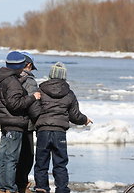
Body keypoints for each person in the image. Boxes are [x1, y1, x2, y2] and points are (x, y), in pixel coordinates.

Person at [34, 62, 93, 193]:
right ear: (64, 76)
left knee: (41, 163)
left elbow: (34, 110)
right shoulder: (69, 93)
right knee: (60, 164)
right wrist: (85, 120)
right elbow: (75, 115)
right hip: (59, 132)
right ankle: (61, 189)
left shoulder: (40, 91)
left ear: (50, 75)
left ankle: (41, 188)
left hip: (43, 131)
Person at [0, 51, 41, 193]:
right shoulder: (15, 81)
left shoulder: (1, 79)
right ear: (26, 65)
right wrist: (33, 98)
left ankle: (1, 187)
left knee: (3, 156)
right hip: (16, 122)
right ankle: (10, 187)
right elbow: (15, 104)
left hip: (5, 121)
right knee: (13, 158)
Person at [16, 52, 39, 193]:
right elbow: (33, 105)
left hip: (10, 122)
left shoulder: (9, 78)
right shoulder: (30, 81)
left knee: (12, 155)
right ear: (29, 65)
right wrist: (38, 121)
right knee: (27, 156)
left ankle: (10, 183)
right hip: (26, 124)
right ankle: (21, 183)